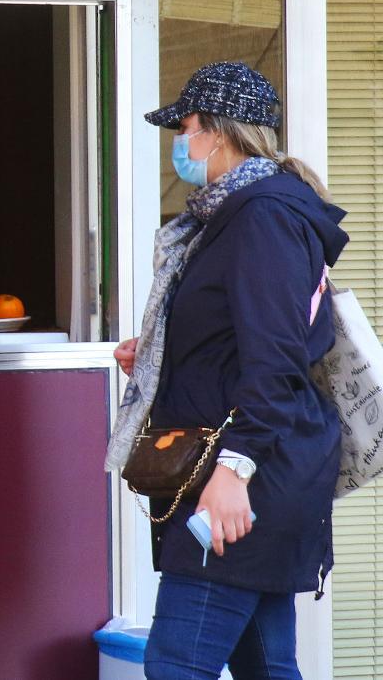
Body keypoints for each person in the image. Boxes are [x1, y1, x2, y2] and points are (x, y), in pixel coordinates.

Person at [107, 61, 347, 680]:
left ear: (218, 133)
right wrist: (170, 347)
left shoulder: (260, 216)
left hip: (245, 478)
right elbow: (247, 334)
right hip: (267, 473)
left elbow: (275, 360)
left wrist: (234, 471)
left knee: (175, 666)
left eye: (184, 128)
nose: (179, 144)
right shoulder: (245, 213)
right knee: (267, 668)